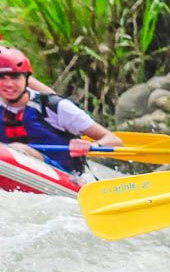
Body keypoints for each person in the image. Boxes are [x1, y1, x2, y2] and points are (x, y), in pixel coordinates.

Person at [0, 46, 121, 176]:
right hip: (10, 165)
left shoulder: (56, 107)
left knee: (19, 149)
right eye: (2, 77)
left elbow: (114, 140)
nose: (9, 84)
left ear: (27, 79)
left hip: (61, 174)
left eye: (15, 77)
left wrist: (92, 146)